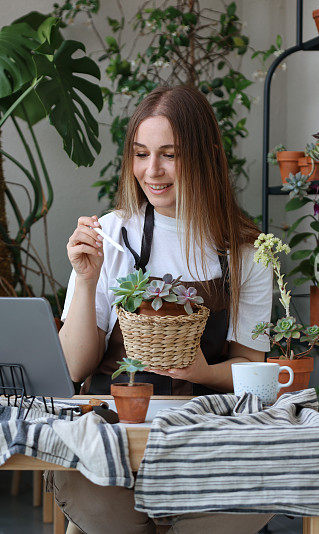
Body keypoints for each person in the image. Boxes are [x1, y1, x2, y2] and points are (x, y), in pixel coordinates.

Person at [49, 85, 274, 534]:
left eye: (169, 154)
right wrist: (88, 276)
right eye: (140, 153)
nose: (152, 171)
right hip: (114, 443)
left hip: (205, 444)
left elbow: (254, 369)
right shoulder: (112, 234)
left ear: (206, 154)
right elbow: (74, 365)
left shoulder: (245, 251)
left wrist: (201, 372)